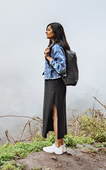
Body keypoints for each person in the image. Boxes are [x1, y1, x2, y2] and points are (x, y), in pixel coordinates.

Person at [42, 22, 70, 154]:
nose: (46, 32)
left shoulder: (57, 48)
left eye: (48, 30)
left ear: (55, 32)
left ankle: (58, 146)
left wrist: (48, 57)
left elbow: (62, 68)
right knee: (56, 113)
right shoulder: (54, 46)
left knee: (55, 113)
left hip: (55, 83)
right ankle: (60, 144)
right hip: (54, 82)